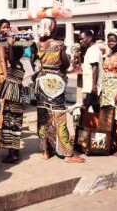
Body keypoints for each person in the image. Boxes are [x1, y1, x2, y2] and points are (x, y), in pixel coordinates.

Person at [34, 17, 85, 163]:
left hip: (42, 82)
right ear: (53, 28)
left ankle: (45, 151)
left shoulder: (39, 44)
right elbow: (65, 63)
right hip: (56, 84)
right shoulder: (58, 44)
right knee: (59, 117)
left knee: (43, 117)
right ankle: (67, 154)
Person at [0, 36, 26, 163]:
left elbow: (10, 58)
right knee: (16, 125)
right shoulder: (22, 64)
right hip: (19, 98)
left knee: (9, 125)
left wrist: (9, 45)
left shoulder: (15, 64)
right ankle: (16, 151)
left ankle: (12, 155)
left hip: (12, 98)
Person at [101, 29, 117, 158]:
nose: (111, 42)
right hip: (106, 91)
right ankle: (113, 144)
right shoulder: (108, 55)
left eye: (114, 40)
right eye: (109, 40)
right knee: (108, 119)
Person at [79, 29, 103, 114]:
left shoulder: (93, 50)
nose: (81, 41)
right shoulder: (90, 49)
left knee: (84, 107)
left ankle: (81, 127)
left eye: (82, 39)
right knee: (96, 108)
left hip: (91, 88)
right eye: (80, 40)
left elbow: (95, 68)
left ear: (89, 38)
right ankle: (96, 126)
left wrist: (94, 86)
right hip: (90, 87)